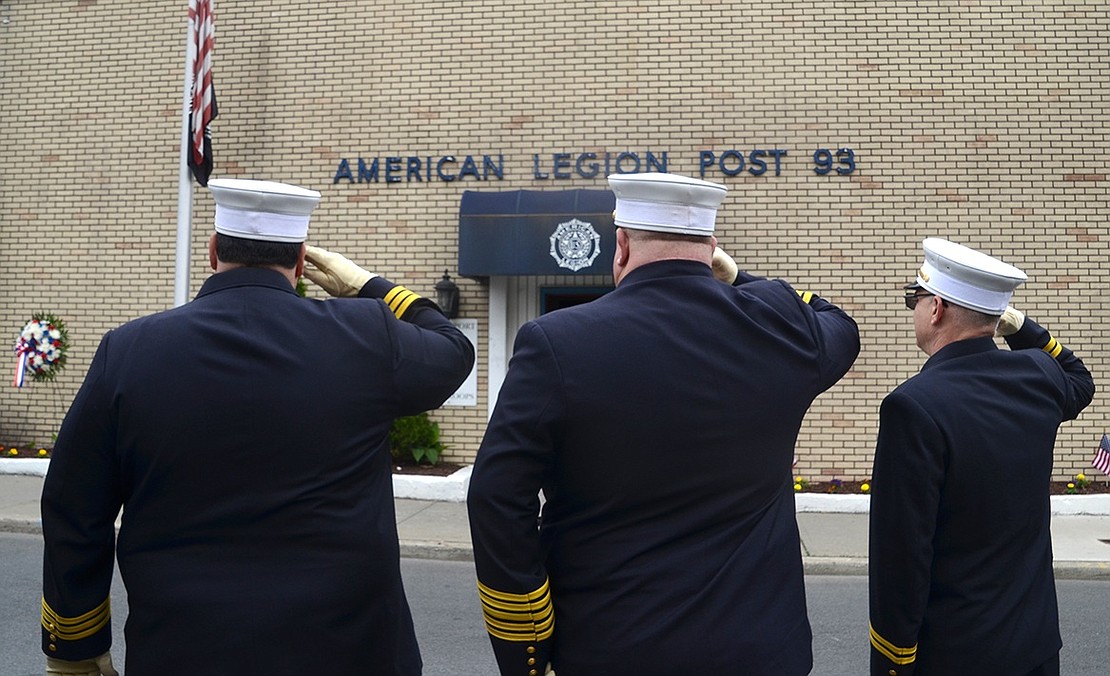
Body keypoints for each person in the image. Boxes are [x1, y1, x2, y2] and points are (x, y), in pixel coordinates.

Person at [39, 178, 474, 675]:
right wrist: (368, 286)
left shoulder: (130, 350)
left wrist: (76, 648)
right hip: (347, 653)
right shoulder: (364, 336)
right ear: (302, 259)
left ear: (212, 250)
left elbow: (74, 506)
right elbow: (453, 351)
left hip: (184, 652)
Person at [467, 172, 860, 676]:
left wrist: (528, 651)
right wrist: (742, 279)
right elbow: (841, 325)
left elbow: (496, 498)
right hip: (762, 652)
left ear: (622, 245)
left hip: (616, 649)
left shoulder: (557, 342)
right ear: (712, 247)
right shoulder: (780, 329)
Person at [868, 238, 1094, 676]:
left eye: (913, 298)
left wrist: (894, 663)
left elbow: (902, 559)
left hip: (957, 656)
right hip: (1036, 644)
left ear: (935, 308)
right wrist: (1020, 326)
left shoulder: (913, 406)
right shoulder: (1038, 376)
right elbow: (1079, 378)